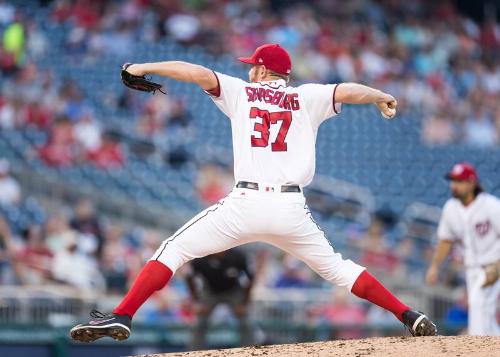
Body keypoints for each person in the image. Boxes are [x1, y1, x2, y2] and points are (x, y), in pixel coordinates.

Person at [70, 43, 436, 343]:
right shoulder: (307, 96)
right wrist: (380, 96)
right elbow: (347, 90)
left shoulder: (242, 91)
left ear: (262, 70)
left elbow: (197, 72)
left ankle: (122, 314)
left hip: (246, 203)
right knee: (340, 269)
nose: (248, 71)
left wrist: (144, 65)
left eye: (252, 66)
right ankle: (408, 313)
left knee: (175, 249)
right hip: (291, 207)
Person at [426, 162, 500, 335]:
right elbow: (445, 240)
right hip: (471, 268)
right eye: (453, 181)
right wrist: (435, 266)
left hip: (493, 264)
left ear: (472, 183)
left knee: (477, 302)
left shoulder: (491, 205)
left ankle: (478, 346)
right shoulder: (451, 208)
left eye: (459, 181)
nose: (454, 185)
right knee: (484, 311)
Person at [186, 249, 255, 349]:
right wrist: (197, 301)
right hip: (210, 292)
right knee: (199, 322)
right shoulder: (201, 256)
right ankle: (194, 351)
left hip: (233, 291)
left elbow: (251, 277)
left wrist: (244, 303)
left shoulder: (237, 256)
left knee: (246, 322)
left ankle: (250, 350)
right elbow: (189, 277)